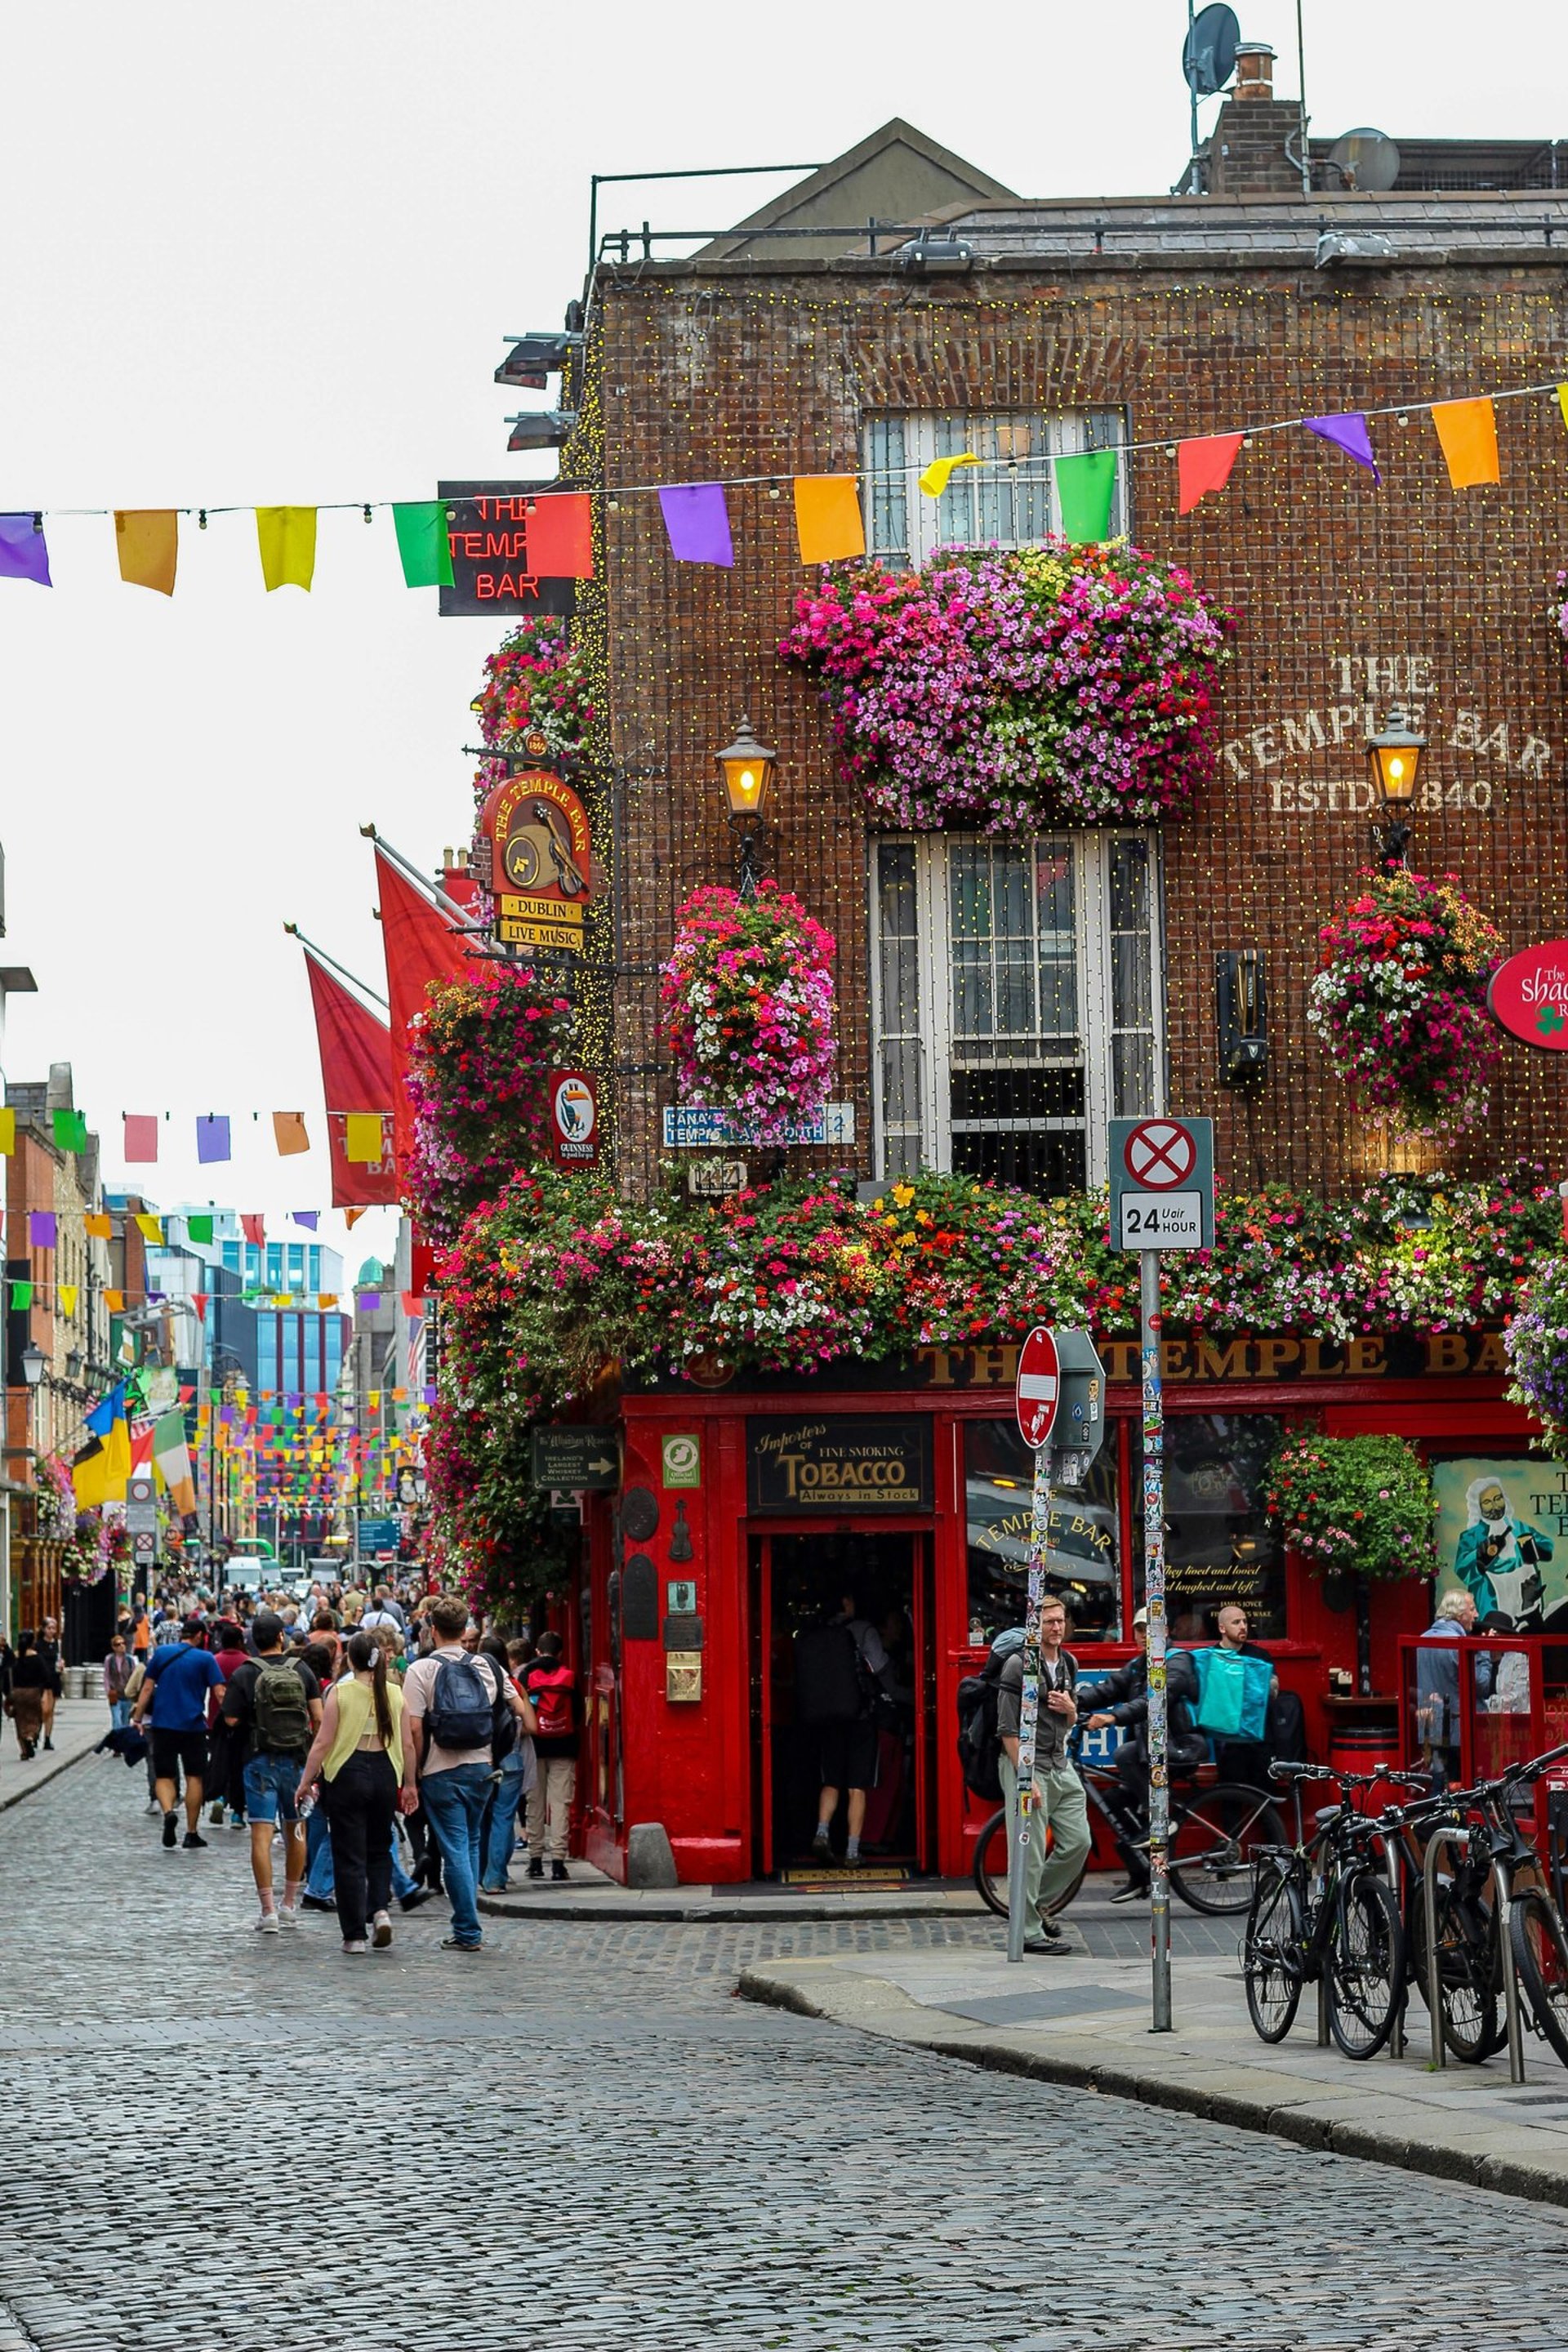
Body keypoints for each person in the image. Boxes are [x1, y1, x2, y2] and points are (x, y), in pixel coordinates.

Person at [403, 1596, 525, 1950]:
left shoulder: (421, 1670)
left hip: (441, 1770)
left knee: (455, 1847)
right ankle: (465, 1923)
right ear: (465, 1628)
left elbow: (413, 1731)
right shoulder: (488, 1665)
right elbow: (518, 1711)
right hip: (483, 1768)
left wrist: (413, 1779)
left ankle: (468, 1931)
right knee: (470, 1843)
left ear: (433, 1629)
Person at [295, 1628, 416, 1953]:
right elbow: (407, 1743)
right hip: (385, 1772)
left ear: (350, 1659)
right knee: (380, 1847)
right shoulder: (394, 1692)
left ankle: (354, 1936)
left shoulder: (341, 1692)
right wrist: (411, 1783)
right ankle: (379, 1909)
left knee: (348, 1855)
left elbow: (323, 1741)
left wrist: (306, 1780)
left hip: (347, 1773)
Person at [1082, 1606, 1205, 1903]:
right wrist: (1067, 1701)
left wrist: (1112, 1718)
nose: (1142, 1635)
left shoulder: (1178, 1663)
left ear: (1165, 1632)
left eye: (1148, 1629)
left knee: (1123, 1753)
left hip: (1178, 1746)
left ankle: (1161, 1819)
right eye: (1138, 1629)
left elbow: (1153, 1699)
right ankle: (1140, 1875)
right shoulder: (1138, 1665)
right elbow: (1109, 1689)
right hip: (1148, 1754)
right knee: (1112, 1803)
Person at [996, 1596, 1092, 1953]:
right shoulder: (1018, 1665)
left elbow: (1069, 1719)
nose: (1056, 1628)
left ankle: (1032, 1904)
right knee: (1030, 1852)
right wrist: (1026, 1777)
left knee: (1079, 1841)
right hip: (1028, 1764)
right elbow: (1007, 1729)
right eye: (1049, 1621)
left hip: (1059, 1763)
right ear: (1034, 1627)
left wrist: (1071, 1710)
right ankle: (1027, 1933)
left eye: (1060, 1621)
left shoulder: (1068, 1662)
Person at [221, 1610, 323, 1930]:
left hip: (259, 1761)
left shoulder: (245, 1673)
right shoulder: (301, 1669)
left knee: (261, 1835)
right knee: (296, 1830)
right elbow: (318, 1717)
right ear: (282, 1637)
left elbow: (231, 1720)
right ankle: (290, 1903)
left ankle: (268, 1911)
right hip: (296, 1762)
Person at [792, 1592, 892, 1870]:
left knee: (831, 1780)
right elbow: (879, 1666)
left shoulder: (815, 1631)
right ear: (847, 1603)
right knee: (857, 1786)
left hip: (826, 1717)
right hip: (860, 1717)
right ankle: (851, 1850)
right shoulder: (862, 1629)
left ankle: (821, 1833)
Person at [131, 1617, 225, 1848]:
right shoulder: (206, 1659)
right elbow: (220, 1693)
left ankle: (167, 1812)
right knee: (194, 1777)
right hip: (193, 1726)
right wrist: (230, 1718)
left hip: (163, 1724)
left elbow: (147, 1687)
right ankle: (191, 1832)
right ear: (201, 1637)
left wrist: (137, 1717)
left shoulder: (162, 1654)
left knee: (164, 1776)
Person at [479, 1634, 537, 1893]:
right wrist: (512, 1728)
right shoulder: (512, 1683)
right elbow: (531, 1725)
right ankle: (495, 1878)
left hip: (482, 1761)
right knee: (504, 1819)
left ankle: (483, 1875)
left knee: (482, 1819)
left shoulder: (475, 1682)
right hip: (511, 1760)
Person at [1454, 1477, 1555, 1625]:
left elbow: (1547, 1546)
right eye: (1487, 1502)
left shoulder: (1519, 1527)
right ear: (1478, 1506)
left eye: (1498, 1498)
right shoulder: (1471, 1536)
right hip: (1493, 1594)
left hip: (1525, 1588)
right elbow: (1461, 1568)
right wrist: (1480, 1556)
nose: (1495, 1506)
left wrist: (1533, 1549)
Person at [523, 1628, 579, 1882]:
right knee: (560, 1804)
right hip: (564, 1746)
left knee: (535, 1803)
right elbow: (578, 1714)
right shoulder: (570, 1677)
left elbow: (520, 1711)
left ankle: (535, 1860)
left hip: (534, 1747)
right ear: (560, 1652)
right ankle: (558, 1862)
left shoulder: (526, 1674)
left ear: (537, 1650)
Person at [1416, 1589, 1477, 1788]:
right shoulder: (1458, 1645)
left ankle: (1436, 1817)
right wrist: (1484, 1655)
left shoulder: (1422, 1640)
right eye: (1472, 1609)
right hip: (1455, 1730)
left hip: (1429, 1724)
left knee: (1437, 1780)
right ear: (1460, 1615)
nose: (1476, 1615)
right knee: (1457, 1786)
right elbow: (1481, 1686)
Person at [206, 1619, 252, 1829]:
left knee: (218, 1761)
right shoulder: (248, 1663)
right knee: (239, 1765)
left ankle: (220, 1797)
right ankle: (237, 1813)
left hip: (217, 1719)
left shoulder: (214, 1660)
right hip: (242, 1722)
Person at [4, 1629, 48, 1760]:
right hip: (33, 1692)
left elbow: (5, 1676)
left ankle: (24, 1750)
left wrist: (7, 1694)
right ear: (32, 1642)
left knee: (20, 1720)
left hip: (17, 1693)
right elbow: (45, 1676)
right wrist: (43, 1691)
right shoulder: (37, 1658)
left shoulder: (13, 1657)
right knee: (34, 1718)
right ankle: (31, 1736)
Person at [37, 1616, 63, 1750]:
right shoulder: (38, 1644)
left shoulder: (57, 1643)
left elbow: (59, 1658)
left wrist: (61, 1665)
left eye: (54, 1628)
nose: (52, 1631)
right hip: (41, 1680)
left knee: (50, 1711)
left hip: (54, 1678)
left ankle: (47, 1738)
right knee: (43, 1709)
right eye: (49, 1628)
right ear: (43, 1629)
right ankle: (37, 1731)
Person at [103, 1633, 136, 1732]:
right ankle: (118, 1741)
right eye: (118, 1644)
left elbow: (134, 1677)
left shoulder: (130, 1660)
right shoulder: (109, 1659)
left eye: (123, 1643)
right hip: (115, 1694)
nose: (122, 1646)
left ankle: (123, 1743)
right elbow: (106, 1675)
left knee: (125, 1721)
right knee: (116, 1720)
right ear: (113, 1647)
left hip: (127, 1695)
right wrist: (108, 1690)